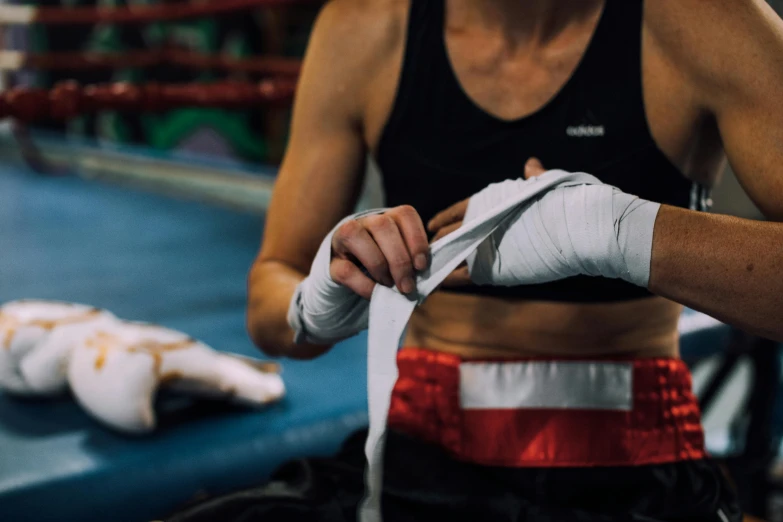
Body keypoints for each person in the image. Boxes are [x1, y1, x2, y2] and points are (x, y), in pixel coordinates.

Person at [244, 0, 783, 520]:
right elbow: (269, 298)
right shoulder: (362, 29)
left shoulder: (704, 19)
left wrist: (611, 231)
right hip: (417, 459)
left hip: (633, 464)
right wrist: (315, 302)